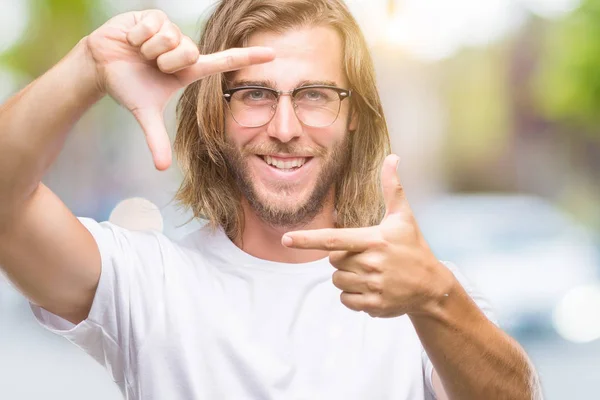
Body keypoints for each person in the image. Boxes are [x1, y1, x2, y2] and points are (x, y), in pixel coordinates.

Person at [0, 1, 541, 399]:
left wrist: (437, 298)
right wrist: (88, 66)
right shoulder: (147, 283)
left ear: (355, 121)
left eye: (314, 95)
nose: (285, 127)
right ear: (214, 114)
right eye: (255, 94)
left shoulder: (423, 294)